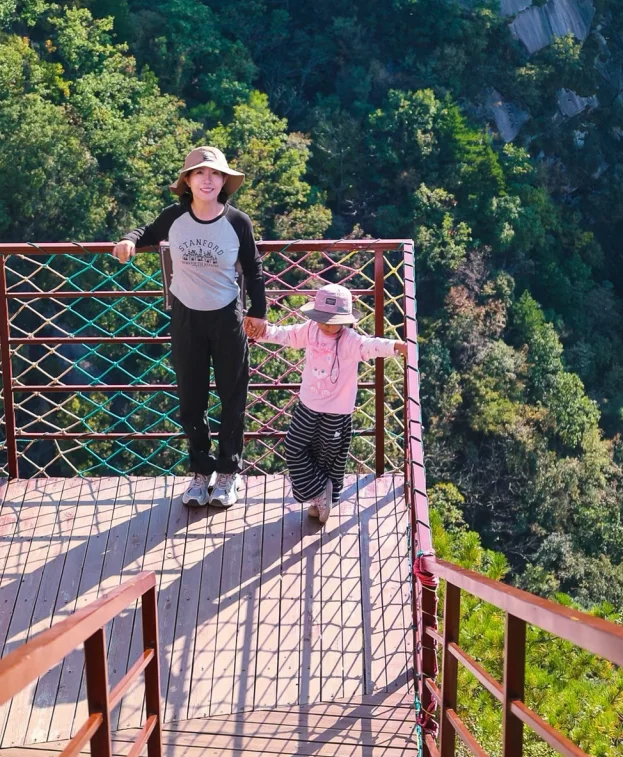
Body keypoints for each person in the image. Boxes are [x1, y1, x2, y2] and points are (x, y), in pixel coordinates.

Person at [112, 146, 266, 509]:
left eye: (214, 174)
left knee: (232, 397)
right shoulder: (175, 216)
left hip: (227, 317)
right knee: (191, 399)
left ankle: (228, 473)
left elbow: (254, 268)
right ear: (188, 181)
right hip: (186, 318)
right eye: (199, 173)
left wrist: (258, 312)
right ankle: (199, 471)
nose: (207, 180)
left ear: (224, 181)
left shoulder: (238, 222)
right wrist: (129, 240)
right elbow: (146, 231)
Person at [248, 284, 408, 524]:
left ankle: (322, 500)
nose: (325, 324)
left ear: (345, 320)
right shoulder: (311, 330)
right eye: (322, 318)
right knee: (294, 447)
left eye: (332, 321)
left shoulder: (350, 341)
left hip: (336, 412)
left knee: (328, 457)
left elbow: (371, 345)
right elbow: (287, 335)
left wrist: (396, 346)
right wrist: (261, 332)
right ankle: (318, 492)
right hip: (308, 405)